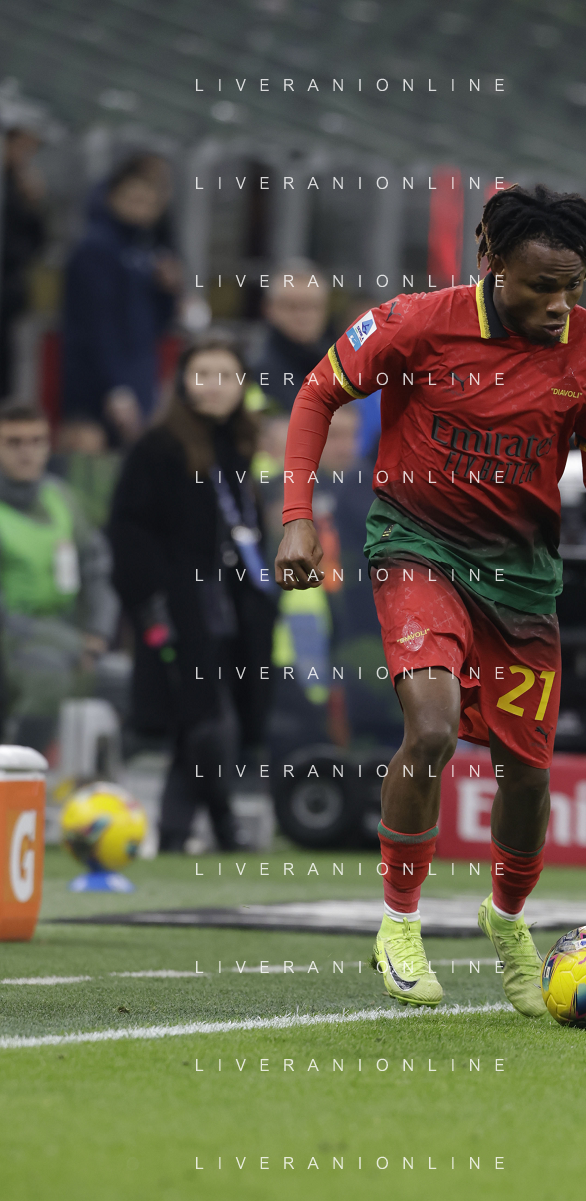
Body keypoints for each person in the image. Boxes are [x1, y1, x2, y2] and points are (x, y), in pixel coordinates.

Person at [274, 184, 586, 1015]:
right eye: (541, 285)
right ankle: (399, 924)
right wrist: (295, 520)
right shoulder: (415, 323)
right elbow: (318, 392)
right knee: (430, 727)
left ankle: (506, 918)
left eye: (573, 286)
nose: (558, 303)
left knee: (525, 773)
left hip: (520, 576)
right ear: (491, 263)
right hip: (415, 546)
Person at [108, 336, 277, 852]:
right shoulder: (158, 447)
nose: (215, 386)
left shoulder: (239, 446)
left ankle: (177, 831)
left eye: (227, 375)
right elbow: (128, 532)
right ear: (183, 383)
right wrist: (152, 605)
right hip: (180, 607)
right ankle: (221, 827)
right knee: (204, 717)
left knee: (203, 720)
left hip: (232, 606)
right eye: (203, 374)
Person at [0, 399, 118, 752]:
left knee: (119, 682)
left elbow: (96, 568)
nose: (26, 452)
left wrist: (98, 631)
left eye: (36, 441)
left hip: (63, 634)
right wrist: (73, 644)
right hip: (13, 636)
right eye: (13, 442)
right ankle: (22, 771)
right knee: (47, 678)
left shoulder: (61, 497)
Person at [61, 155, 182, 445]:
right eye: (133, 199)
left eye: (148, 202)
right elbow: (97, 323)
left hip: (137, 370)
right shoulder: (95, 248)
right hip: (97, 378)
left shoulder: (146, 250)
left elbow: (156, 323)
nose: (140, 209)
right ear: (112, 197)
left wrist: (167, 291)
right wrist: (116, 387)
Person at [250, 265, 382, 457]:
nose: (302, 316)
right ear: (268, 309)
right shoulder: (253, 368)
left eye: (312, 307)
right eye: (291, 306)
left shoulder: (344, 362)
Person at [1, 127, 46, 398]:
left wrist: (33, 203)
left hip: (9, 289)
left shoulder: (19, 187)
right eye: (20, 148)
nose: (24, 156)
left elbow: (37, 242)